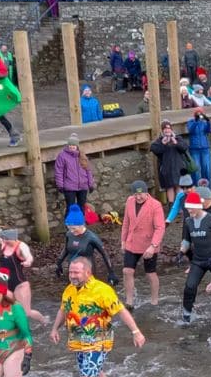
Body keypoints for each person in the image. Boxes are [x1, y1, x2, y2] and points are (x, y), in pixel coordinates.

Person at [49, 255, 145, 377]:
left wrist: (136, 332)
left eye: (76, 273)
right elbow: (63, 309)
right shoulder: (69, 289)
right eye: (70, 272)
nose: (72, 276)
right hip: (78, 341)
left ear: (88, 272)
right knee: (95, 372)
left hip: (98, 340)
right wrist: (55, 328)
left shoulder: (102, 290)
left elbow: (121, 310)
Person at [0, 207, 47, 323]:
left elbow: (28, 255)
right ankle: (10, 330)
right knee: (6, 308)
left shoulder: (21, 246)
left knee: (27, 312)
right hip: (6, 284)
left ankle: (44, 321)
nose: (2, 239)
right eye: (2, 237)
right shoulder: (4, 244)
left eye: (5, 238)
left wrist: (28, 261)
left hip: (20, 285)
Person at [180, 191, 211, 323]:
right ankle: (186, 315)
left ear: (199, 206)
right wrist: (181, 252)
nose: (188, 211)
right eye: (187, 208)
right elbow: (186, 241)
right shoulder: (188, 221)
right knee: (189, 287)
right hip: (198, 261)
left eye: (190, 208)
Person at [120, 180, 164, 310]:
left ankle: (154, 301)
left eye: (141, 194)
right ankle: (129, 302)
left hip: (148, 245)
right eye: (136, 195)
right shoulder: (129, 201)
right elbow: (126, 223)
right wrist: (123, 241)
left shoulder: (155, 205)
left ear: (146, 193)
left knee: (150, 273)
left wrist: (153, 246)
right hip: (132, 242)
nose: (138, 197)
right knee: (127, 271)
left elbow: (160, 228)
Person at [57, 204, 117, 284]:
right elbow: (66, 249)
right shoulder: (69, 234)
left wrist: (111, 272)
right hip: (73, 271)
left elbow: (104, 254)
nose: (71, 231)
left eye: (74, 228)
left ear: (82, 225)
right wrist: (59, 263)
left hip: (88, 271)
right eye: (69, 228)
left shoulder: (91, 237)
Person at [54, 133, 95, 215]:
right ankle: (69, 227)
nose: (72, 147)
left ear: (77, 146)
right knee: (70, 208)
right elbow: (59, 171)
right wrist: (60, 185)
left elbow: (88, 171)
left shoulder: (82, 156)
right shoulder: (62, 156)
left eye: (74, 145)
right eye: (70, 145)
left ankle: (81, 226)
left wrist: (91, 184)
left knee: (81, 207)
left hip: (83, 186)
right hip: (69, 187)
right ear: (68, 145)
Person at [150, 119, 189, 202]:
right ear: (162, 130)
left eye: (169, 128)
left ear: (171, 129)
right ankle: (171, 206)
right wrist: (163, 144)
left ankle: (181, 207)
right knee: (169, 187)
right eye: (165, 129)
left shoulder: (178, 138)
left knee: (179, 186)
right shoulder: (159, 141)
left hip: (178, 167)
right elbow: (155, 149)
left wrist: (176, 143)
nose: (167, 130)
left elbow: (184, 148)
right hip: (166, 169)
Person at [186, 109, 211, 186]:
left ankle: (208, 188)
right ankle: (197, 188)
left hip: (205, 148)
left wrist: (208, 121)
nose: (199, 115)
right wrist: (196, 121)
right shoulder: (191, 122)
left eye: (200, 113)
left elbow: (208, 130)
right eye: (197, 113)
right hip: (194, 149)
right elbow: (191, 130)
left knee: (206, 169)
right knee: (196, 171)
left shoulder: (204, 123)